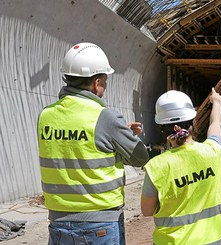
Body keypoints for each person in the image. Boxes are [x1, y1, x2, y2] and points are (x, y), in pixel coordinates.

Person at [37, 42, 150, 244]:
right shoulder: (105, 118)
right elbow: (140, 157)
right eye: (104, 83)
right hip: (100, 224)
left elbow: (75, 147)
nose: (104, 89)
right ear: (97, 83)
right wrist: (124, 135)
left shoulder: (45, 116)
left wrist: (114, 132)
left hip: (58, 223)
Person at [141, 89, 221, 244]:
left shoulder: (156, 166)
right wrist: (217, 102)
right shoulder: (213, 151)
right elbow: (215, 124)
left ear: (161, 127)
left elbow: (147, 210)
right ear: (194, 122)